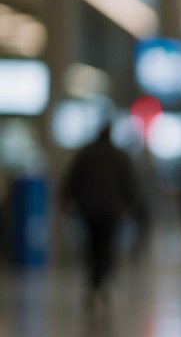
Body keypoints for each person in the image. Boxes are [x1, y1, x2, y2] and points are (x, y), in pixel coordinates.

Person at [59, 124, 146, 304]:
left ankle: (93, 282)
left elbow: (72, 177)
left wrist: (67, 198)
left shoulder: (86, 153)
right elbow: (129, 182)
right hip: (111, 209)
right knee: (107, 245)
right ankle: (103, 281)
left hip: (88, 208)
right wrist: (129, 204)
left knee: (91, 244)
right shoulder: (120, 156)